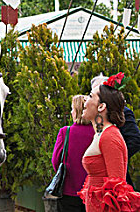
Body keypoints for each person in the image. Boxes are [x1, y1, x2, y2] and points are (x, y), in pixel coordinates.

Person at [78, 76, 140, 211]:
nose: (85, 100)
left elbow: (118, 189)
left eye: (90, 96)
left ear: (101, 106)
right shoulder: (101, 134)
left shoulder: (110, 136)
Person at [91, 74, 140, 187]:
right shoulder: (88, 115)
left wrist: (114, 157)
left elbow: (135, 139)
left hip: (114, 178)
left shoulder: (123, 113)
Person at [52, 95, 94, 211]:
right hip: (92, 192)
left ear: (77, 111)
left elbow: (55, 161)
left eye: (72, 109)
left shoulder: (66, 132)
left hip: (69, 190)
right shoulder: (97, 133)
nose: (71, 112)